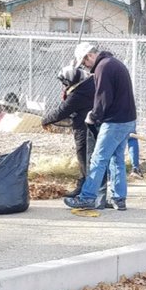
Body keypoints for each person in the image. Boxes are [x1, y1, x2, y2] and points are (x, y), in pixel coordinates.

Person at [63, 43, 137, 213]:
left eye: (84, 62)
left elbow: (103, 98)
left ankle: (87, 197)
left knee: (98, 159)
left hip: (115, 121)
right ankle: (119, 199)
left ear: (89, 56)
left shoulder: (103, 68)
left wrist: (93, 116)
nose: (85, 66)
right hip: (127, 119)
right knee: (116, 159)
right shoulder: (112, 63)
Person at [41, 63, 109, 206]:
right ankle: (84, 186)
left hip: (84, 127)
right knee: (89, 158)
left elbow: (62, 111)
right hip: (94, 124)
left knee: (85, 157)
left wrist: (44, 121)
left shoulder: (79, 93)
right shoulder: (90, 81)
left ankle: (88, 190)